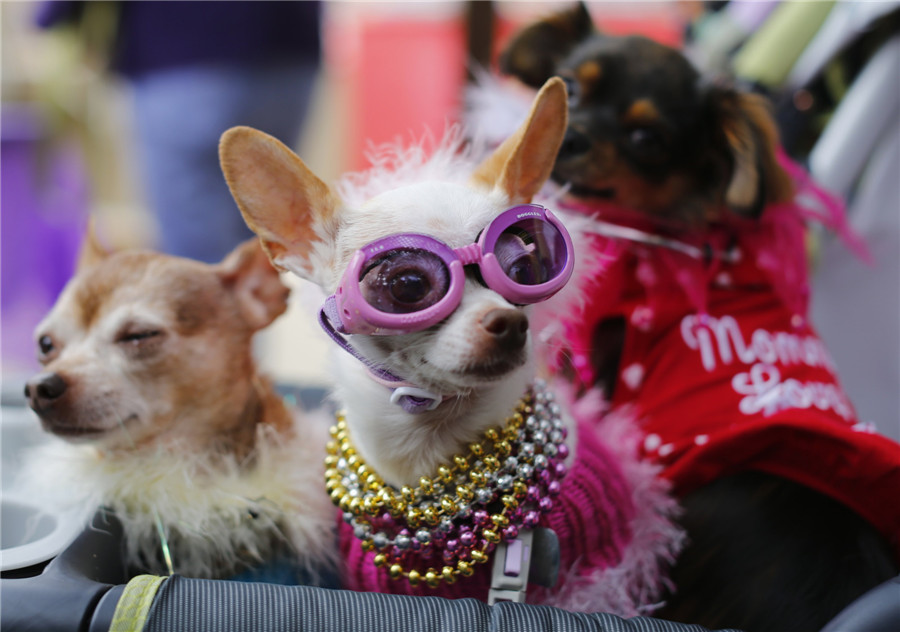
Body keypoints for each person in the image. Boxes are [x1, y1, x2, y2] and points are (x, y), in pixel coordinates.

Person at [36, 1, 322, 263]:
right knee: (269, 241)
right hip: (290, 50)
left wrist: (50, 18)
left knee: (200, 259)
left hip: (181, 54)